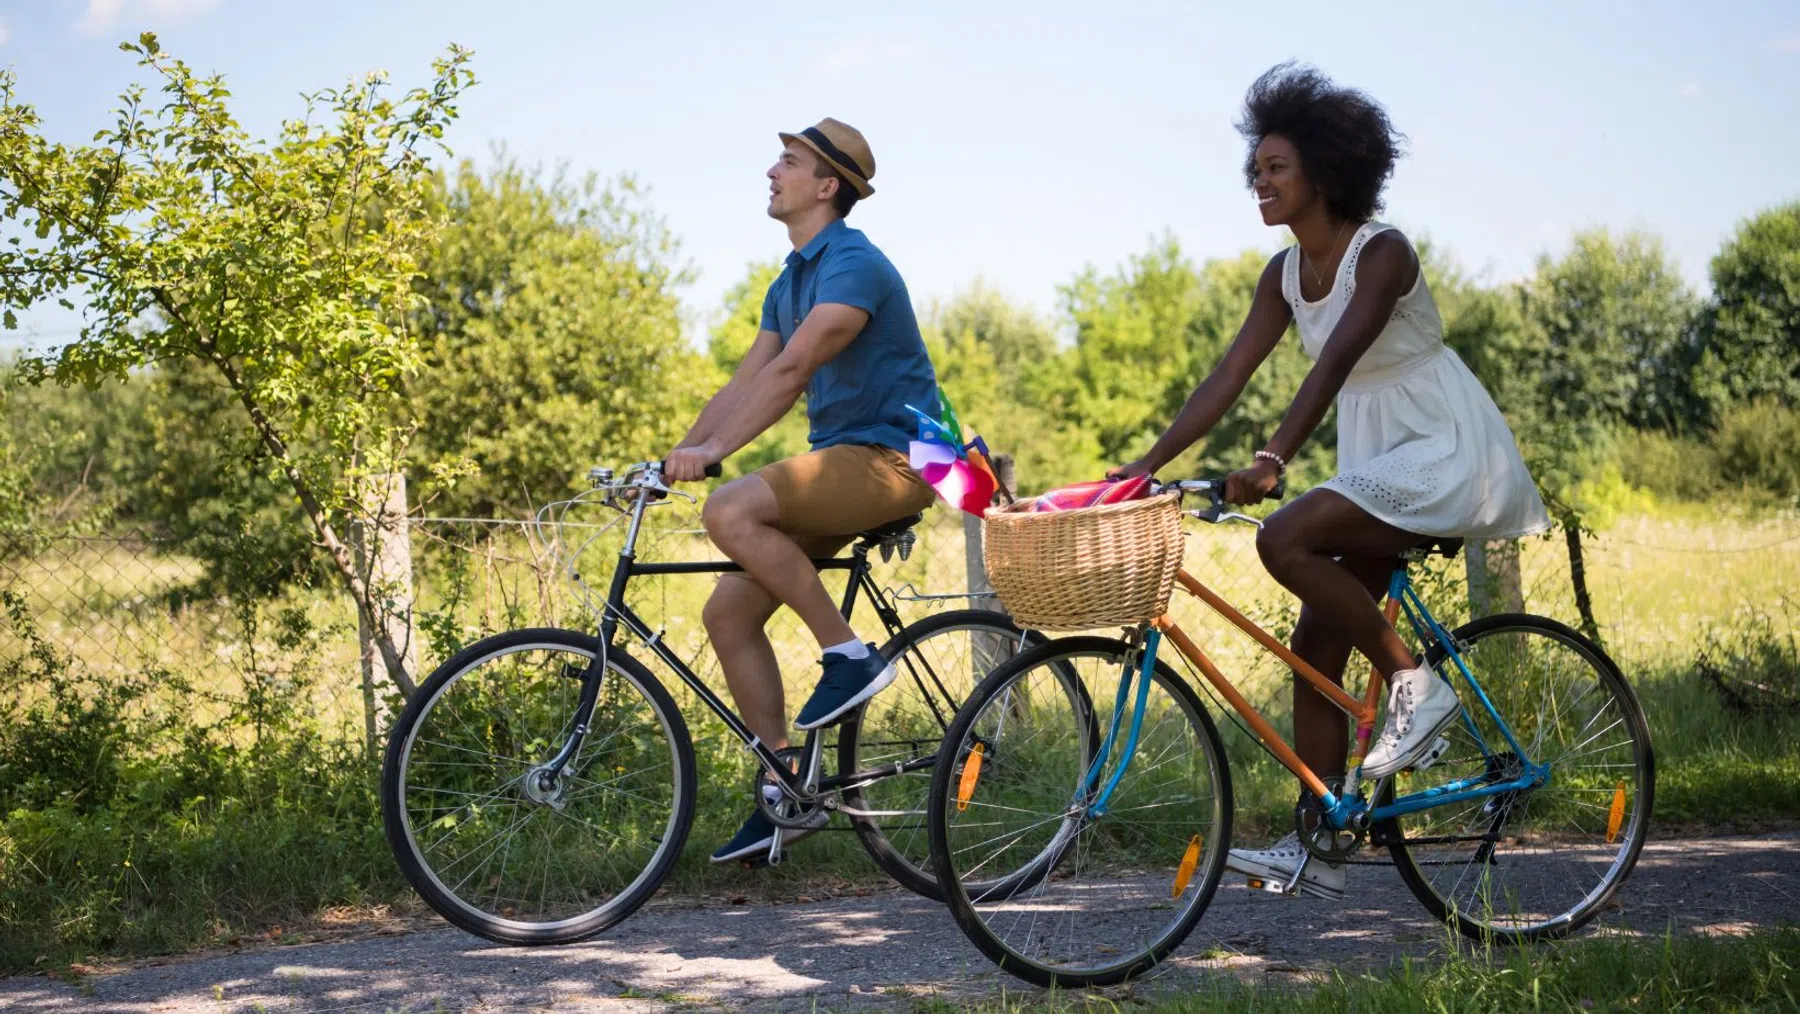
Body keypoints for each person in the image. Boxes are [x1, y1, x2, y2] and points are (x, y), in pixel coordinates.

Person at [1108, 64, 1549, 899]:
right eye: (1255, 170)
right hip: (1378, 458)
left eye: (1275, 168)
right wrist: (1146, 464)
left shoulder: (1382, 252)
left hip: (1442, 445)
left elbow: (1337, 359)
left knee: (1287, 534)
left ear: (1324, 170)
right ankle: (1317, 843)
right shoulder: (1281, 274)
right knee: (1314, 651)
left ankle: (1416, 685)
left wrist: (1274, 457)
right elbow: (1226, 377)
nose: (1259, 182)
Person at [661, 118, 940, 864]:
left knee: (732, 508)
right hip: (848, 458)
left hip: (905, 458)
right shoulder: (791, 281)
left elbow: (790, 376)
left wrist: (716, 457)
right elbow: (747, 378)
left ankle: (850, 655)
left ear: (827, 185)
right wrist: (676, 456)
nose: (770, 172)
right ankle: (787, 788)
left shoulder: (854, 264)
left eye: (787, 162)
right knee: (727, 613)